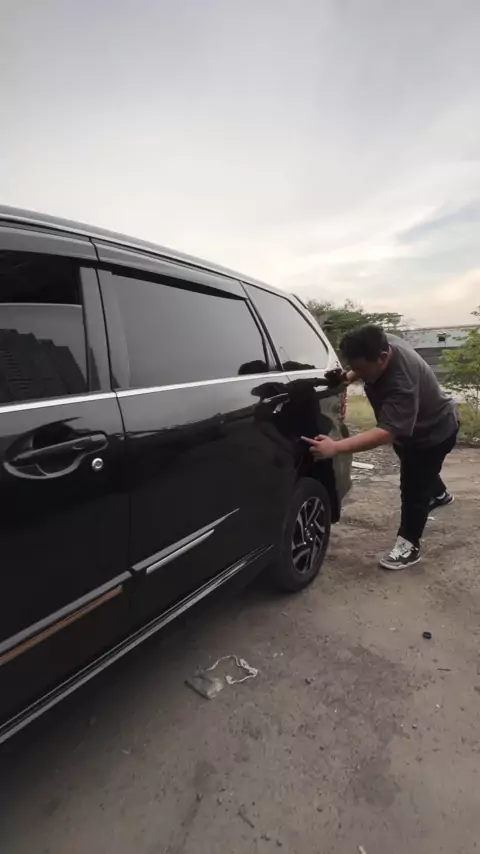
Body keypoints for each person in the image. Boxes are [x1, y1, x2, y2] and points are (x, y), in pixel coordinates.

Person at [304, 325, 458, 570]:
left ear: (383, 357)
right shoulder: (383, 342)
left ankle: (409, 546)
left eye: (362, 370)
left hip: (433, 433)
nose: (360, 374)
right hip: (417, 430)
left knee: (414, 487)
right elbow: (364, 369)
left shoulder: (401, 383)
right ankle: (440, 495)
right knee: (418, 468)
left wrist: (336, 447)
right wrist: (347, 377)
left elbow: (386, 432)